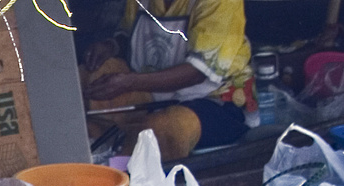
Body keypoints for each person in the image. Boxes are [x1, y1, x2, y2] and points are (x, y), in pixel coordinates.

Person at [80, 0, 255, 160]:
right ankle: (99, 160)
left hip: (216, 102)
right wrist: (112, 45)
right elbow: (129, 34)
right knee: (89, 76)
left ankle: (125, 179)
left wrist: (129, 82)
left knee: (165, 129)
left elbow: (197, 72)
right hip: (150, 93)